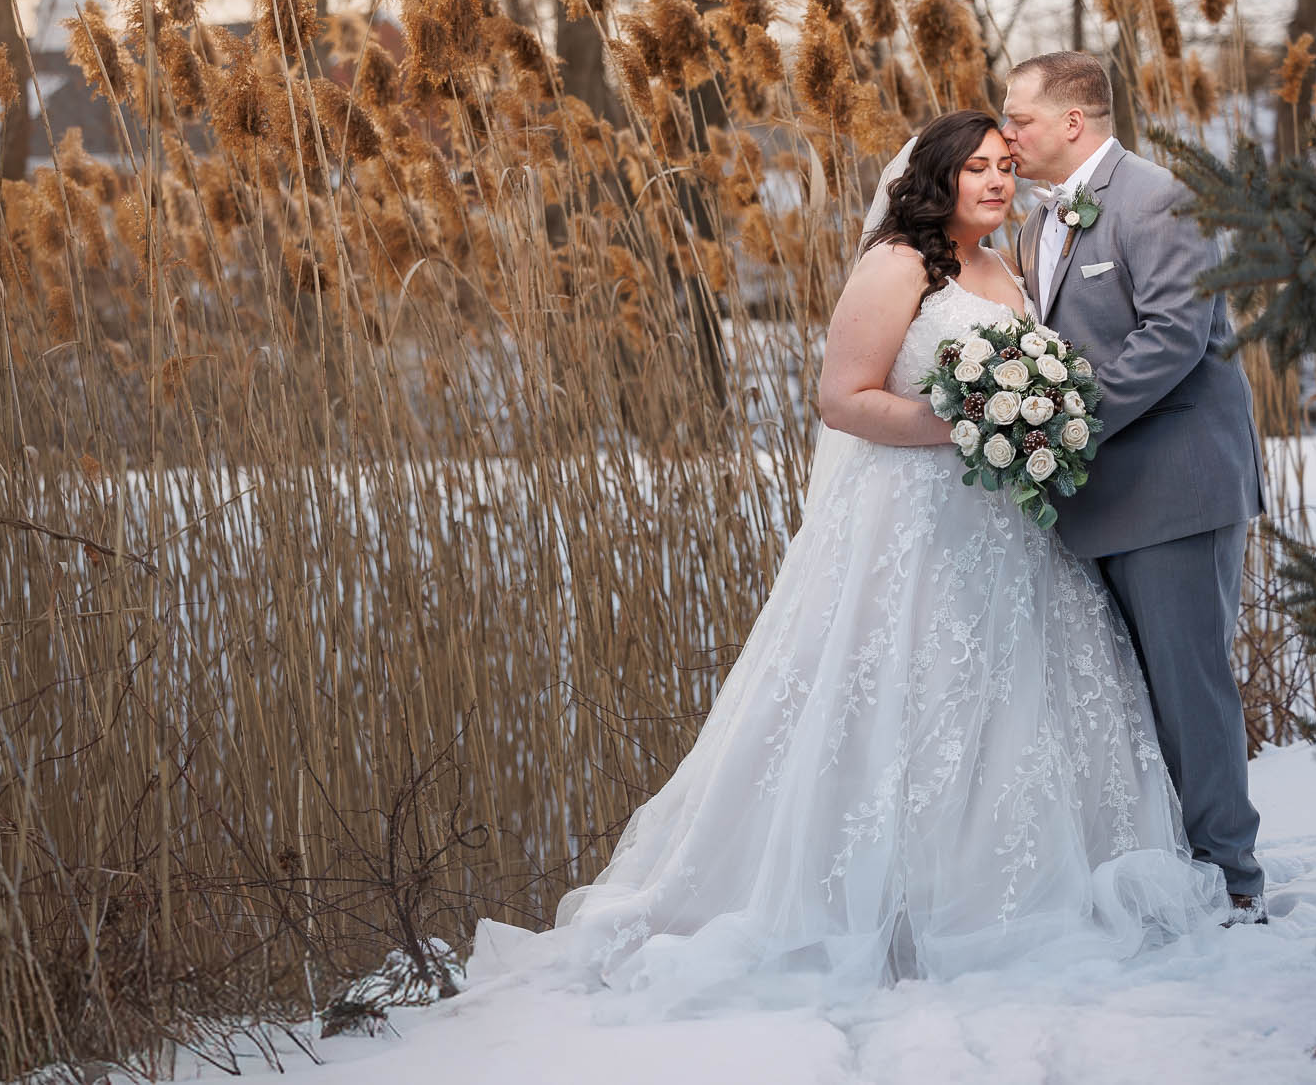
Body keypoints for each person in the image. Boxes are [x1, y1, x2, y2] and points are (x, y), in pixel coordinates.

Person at [467, 109, 1226, 1020]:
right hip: (913, 523)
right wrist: (970, 427)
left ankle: (999, 886)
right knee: (902, 696)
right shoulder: (897, 264)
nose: (995, 181)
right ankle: (876, 902)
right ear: (934, 179)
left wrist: (1025, 427)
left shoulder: (1009, 268)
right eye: (975, 168)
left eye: (1002, 167)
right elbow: (842, 398)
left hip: (1007, 533)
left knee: (1009, 702)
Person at [998, 51, 1267, 920]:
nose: (1007, 133)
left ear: (1074, 121)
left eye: (1020, 118)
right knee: (1125, 700)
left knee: (1190, 692)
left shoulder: (1155, 197)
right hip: (1097, 502)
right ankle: (1165, 870)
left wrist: (1062, 423)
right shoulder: (1036, 223)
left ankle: (1232, 880)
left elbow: (1173, 337)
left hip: (1176, 493)